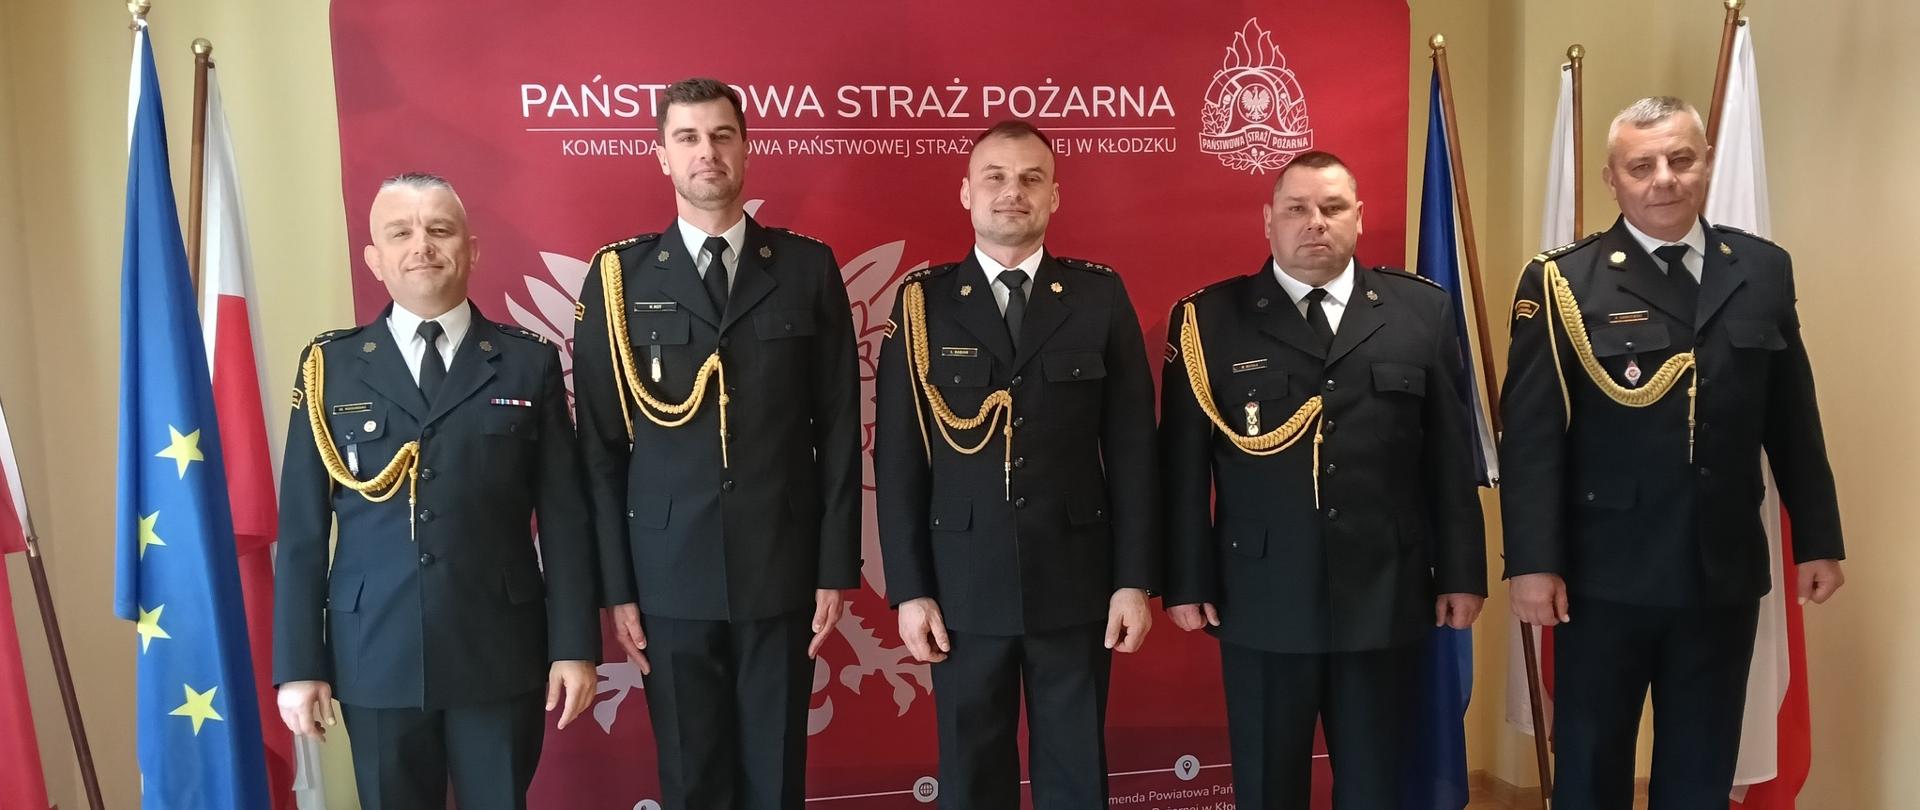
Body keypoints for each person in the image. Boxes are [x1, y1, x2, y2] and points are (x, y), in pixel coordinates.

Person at [1500, 96, 1846, 809]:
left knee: (1701, 771)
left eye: (1681, 159)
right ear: (1612, 179)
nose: (1664, 178)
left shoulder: (1762, 269)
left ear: (1706, 164)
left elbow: (1792, 417)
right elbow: (1532, 436)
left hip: (1720, 570)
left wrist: (1818, 538)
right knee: (1591, 769)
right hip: (1602, 575)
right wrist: (1533, 562)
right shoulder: (1565, 280)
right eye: (1642, 165)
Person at [1159, 150, 1486, 809]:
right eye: (1297, 209)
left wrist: (1461, 572)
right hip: (1261, 598)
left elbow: (1449, 461)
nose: (1315, 222)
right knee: (1267, 787)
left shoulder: (1420, 311)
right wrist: (1186, 580)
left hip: (1384, 592)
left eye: (1332, 208)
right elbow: (1183, 468)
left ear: (1358, 217)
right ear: (1268, 221)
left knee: (1376, 788)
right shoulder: (1210, 320)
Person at [571, 77, 863, 810]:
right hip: (667, 574)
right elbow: (600, 449)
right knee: (691, 778)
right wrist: (618, 588)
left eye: (722, 135)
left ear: (746, 149)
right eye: (688, 137)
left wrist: (834, 568)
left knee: (775, 778)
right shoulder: (618, 278)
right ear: (662, 156)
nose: (707, 151)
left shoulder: (805, 267)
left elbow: (837, 428)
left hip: (781, 565)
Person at [273, 172, 599, 810]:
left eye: (439, 230)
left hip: (498, 650)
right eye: (400, 233)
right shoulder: (329, 368)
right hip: (376, 653)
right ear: (375, 259)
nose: (421, 245)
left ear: (471, 250)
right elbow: (303, 532)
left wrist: (573, 648)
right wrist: (299, 665)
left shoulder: (526, 361)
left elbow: (565, 521)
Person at [873, 119, 1160, 808]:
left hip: (1076, 582)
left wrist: (1132, 580)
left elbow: (1133, 451)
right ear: (966, 192)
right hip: (962, 587)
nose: (1013, 192)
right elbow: (899, 459)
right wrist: (910, 590)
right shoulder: (922, 305)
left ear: (1054, 196)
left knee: (1075, 777)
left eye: (1032, 179)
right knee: (972, 778)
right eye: (995, 177)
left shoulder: (1097, 296)